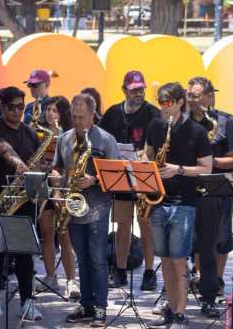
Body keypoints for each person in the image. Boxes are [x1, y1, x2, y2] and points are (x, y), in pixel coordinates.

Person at [143, 82, 213, 329]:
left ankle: (182, 314)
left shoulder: (196, 131)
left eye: (168, 103)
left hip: (184, 202)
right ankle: (171, 310)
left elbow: (207, 168)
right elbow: (147, 154)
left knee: (179, 261)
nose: (163, 107)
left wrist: (178, 170)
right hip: (158, 201)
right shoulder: (155, 126)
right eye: (161, 103)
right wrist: (146, 162)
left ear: (180, 102)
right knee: (164, 259)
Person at [0, 86, 44, 321]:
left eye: (21, 107)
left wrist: (44, 172)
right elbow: (5, 150)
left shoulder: (30, 133)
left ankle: (27, 301)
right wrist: (19, 164)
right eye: (12, 107)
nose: (17, 112)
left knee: (24, 253)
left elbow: (39, 161)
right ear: (1, 107)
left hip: (22, 199)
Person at [55, 94, 119, 327]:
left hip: (98, 207)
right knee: (82, 259)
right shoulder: (65, 138)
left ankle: (101, 307)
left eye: (82, 117)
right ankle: (87, 304)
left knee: (97, 259)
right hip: (73, 206)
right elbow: (57, 169)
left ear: (93, 115)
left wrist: (93, 180)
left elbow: (115, 176)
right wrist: (60, 190)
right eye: (74, 117)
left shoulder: (106, 140)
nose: (78, 122)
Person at [98, 70, 160, 290]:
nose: (139, 94)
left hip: (144, 174)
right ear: (124, 90)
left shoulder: (154, 113)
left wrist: (144, 156)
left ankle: (149, 271)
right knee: (122, 224)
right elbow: (100, 140)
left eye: (141, 90)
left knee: (146, 224)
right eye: (134, 90)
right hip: (120, 174)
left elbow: (159, 143)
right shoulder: (113, 113)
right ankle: (120, 269)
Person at [185, 77, 233, 317]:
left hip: (217, 190)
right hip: (188, 189)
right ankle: (195, 281)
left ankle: (214, 284)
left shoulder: (225, 122)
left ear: (209, 97)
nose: (192, 100)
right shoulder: (182, 122)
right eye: (189, 96)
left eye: (196, 96)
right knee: (192, 243)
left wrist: (209, 161)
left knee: (218, 241)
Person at [35, 96, 77, 299]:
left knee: (64, 234)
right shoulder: (39, 133)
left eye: (56, 110)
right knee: (47, 232)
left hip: (62, 187)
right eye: (49, 109)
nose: (51, 114)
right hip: (44, 184)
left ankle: (71, 281)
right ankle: (50, 276)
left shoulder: (69, 136)